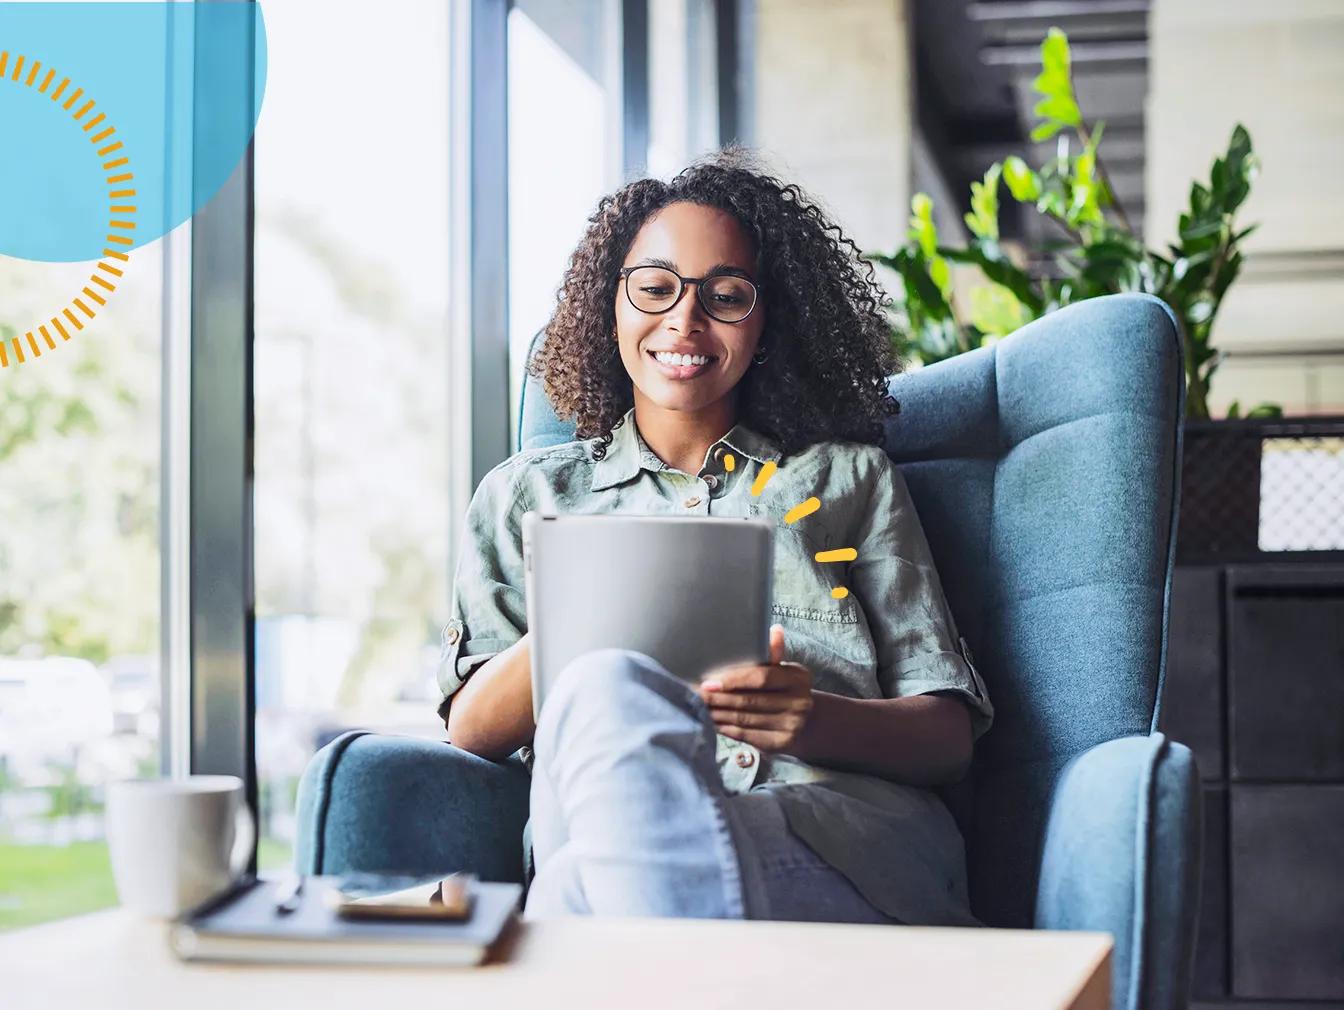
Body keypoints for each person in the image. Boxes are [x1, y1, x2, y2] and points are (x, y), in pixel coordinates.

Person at [436, 145, 994, 925]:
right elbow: (472, 728)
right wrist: (590, 616)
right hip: (601, 823)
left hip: (827, 838)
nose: (685, 320)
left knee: (570, 894)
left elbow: (946, 740)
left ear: (766, 324)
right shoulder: (526, 495)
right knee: (600, 692)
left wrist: (812, 718)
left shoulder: (847, 482)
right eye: (655, 289)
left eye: (725, 294)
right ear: (612, 307)